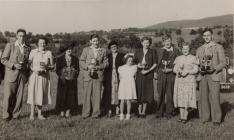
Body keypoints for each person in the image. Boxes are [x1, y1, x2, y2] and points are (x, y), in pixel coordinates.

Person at [196, 28, 226, 126]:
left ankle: (216, 119)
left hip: (214, 75)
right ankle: (205, 117)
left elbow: (223, 63)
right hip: (203, 76)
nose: (206, 37)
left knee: (215, 97)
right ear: (202, 37)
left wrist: (215, 68)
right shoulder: (199, 49)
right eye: (204, 36)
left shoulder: (218, 47)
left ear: (212, 35)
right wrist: (199, 68)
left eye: (208, 35)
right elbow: (197, 63)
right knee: (203, 98)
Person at [1, 29, 31, 121]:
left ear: (25, 37)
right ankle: (6, 116)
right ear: (17, 36)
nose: (22, 37)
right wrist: (13, 65)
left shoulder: (28, 48)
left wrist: (26, 67)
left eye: (23, 36)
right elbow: (3, 59)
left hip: (22, 75)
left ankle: (15, 115)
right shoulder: (10, 45)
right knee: (8, 96)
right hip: (11, 74)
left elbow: (28, 62)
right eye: (20, 36)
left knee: (19, 97)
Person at [79, 34, 109, 119]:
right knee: (86, 95)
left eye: (97, 40)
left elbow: (106, 63)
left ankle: (96, 114)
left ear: (99, 41)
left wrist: (98, 67)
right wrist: (88, 67)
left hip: (98, 76)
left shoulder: (103, 50)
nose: (95, 42)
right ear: (90, 41)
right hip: (88, 75)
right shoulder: (86, 50)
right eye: (94, 41)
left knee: (97, 95)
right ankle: (86, 113)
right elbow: (81, 61)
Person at [27, 37, 54, 120]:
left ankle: (39, 114)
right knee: (33, 93)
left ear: (46, 44)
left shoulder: (48, 53)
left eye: (44, 43)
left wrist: (47, 68)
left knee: (41, 93)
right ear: (37, 44)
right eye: (40, 43)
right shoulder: (33, 52)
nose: (42, 44)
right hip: (34, 75)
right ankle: (31, 114)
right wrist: (34, 70)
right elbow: (29, 64)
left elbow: (52, 66)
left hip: (44, 76)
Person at [155, 34, 181, 119]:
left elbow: (180, 63)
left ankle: (169, 112)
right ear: (163, 42)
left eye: (168, 41)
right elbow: (156, 62)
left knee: (170, 94)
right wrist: (156, 72)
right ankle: (159, 112)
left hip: (171, 74)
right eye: (165, 41)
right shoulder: (159, 50)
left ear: (171, 41)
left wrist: (171, 69)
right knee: (160, 93)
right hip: (161, 74)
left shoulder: (176, 51)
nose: (167, 43)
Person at [173, 43, 198, 123]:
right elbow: (174, 69)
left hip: (189, 80)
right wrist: (178, 71)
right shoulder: (178, 58)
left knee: (187, 98)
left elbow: (196, 70)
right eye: (184, 49)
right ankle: (181, 116)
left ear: (189, 49)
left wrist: (187, 72)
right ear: (181, 49)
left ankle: (185, 117)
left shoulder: (194, 58)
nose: (185, 50)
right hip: (180, 80)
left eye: (187, 49)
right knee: (181, 97)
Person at [135, 37, 157, 118]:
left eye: (148, 43)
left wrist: (148, 71)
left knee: (146, 94)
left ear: (149, 43)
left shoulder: (152, 51)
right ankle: (139, 111)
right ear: (142, 43)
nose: (146, 44)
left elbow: (155, 63)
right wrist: (138, 65)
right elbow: (134, 61)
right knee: (139, 92)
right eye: (145, 42)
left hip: (148, 75)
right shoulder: (138, 51)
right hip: (139, 74)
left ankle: (144, 112)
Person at [55, 45, 79, 118]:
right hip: (63, 81)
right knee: (62, 96)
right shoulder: (59, 59)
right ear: (65, 50)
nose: (69, 50)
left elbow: (78, 70)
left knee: (70, 96)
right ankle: (62, 111)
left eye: (70, 49)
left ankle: (68, 111)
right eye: (68, 49)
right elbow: (57, 70)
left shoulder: (75, 59)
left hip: (72, 81)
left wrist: (73, 74)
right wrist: (63, 74)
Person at [102, 40, 124, 117]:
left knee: (119, 92)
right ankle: (110, 110)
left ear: (117, 47)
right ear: (110, 48)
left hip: (119, 77)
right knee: (109, 94)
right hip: (109, 77)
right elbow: (104, 67)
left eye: (115, 46)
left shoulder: (122, 56)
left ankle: (118, 109)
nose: (114, 48)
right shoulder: (107, 56)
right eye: (112, 47)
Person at [118, 54, 137, 120]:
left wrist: (132, 55)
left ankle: (128, 114)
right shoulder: (121, 68)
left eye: (131, 61)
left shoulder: (135, 67)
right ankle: (121, 114)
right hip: (123, 84)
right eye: (129, 60)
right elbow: (120, 77)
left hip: (130, 84)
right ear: (126, 60)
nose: (130, 62)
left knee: (129, 100)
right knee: (122, 100)